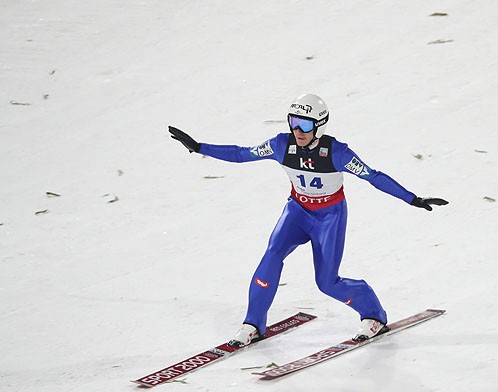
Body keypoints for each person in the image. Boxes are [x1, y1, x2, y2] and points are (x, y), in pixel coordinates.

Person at [168, 93, 447, 346]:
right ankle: (253, 323)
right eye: (294, 122)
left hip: (329, 217)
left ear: (320, 125)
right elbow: (242, 154)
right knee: (271, 256)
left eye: (305, 124)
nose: (298, 131)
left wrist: (412, 198)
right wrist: (198, 147)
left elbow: (373, 177)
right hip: (297, 212)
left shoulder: (337, 153)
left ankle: (373, 314)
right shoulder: (281, 145)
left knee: (327, 283)